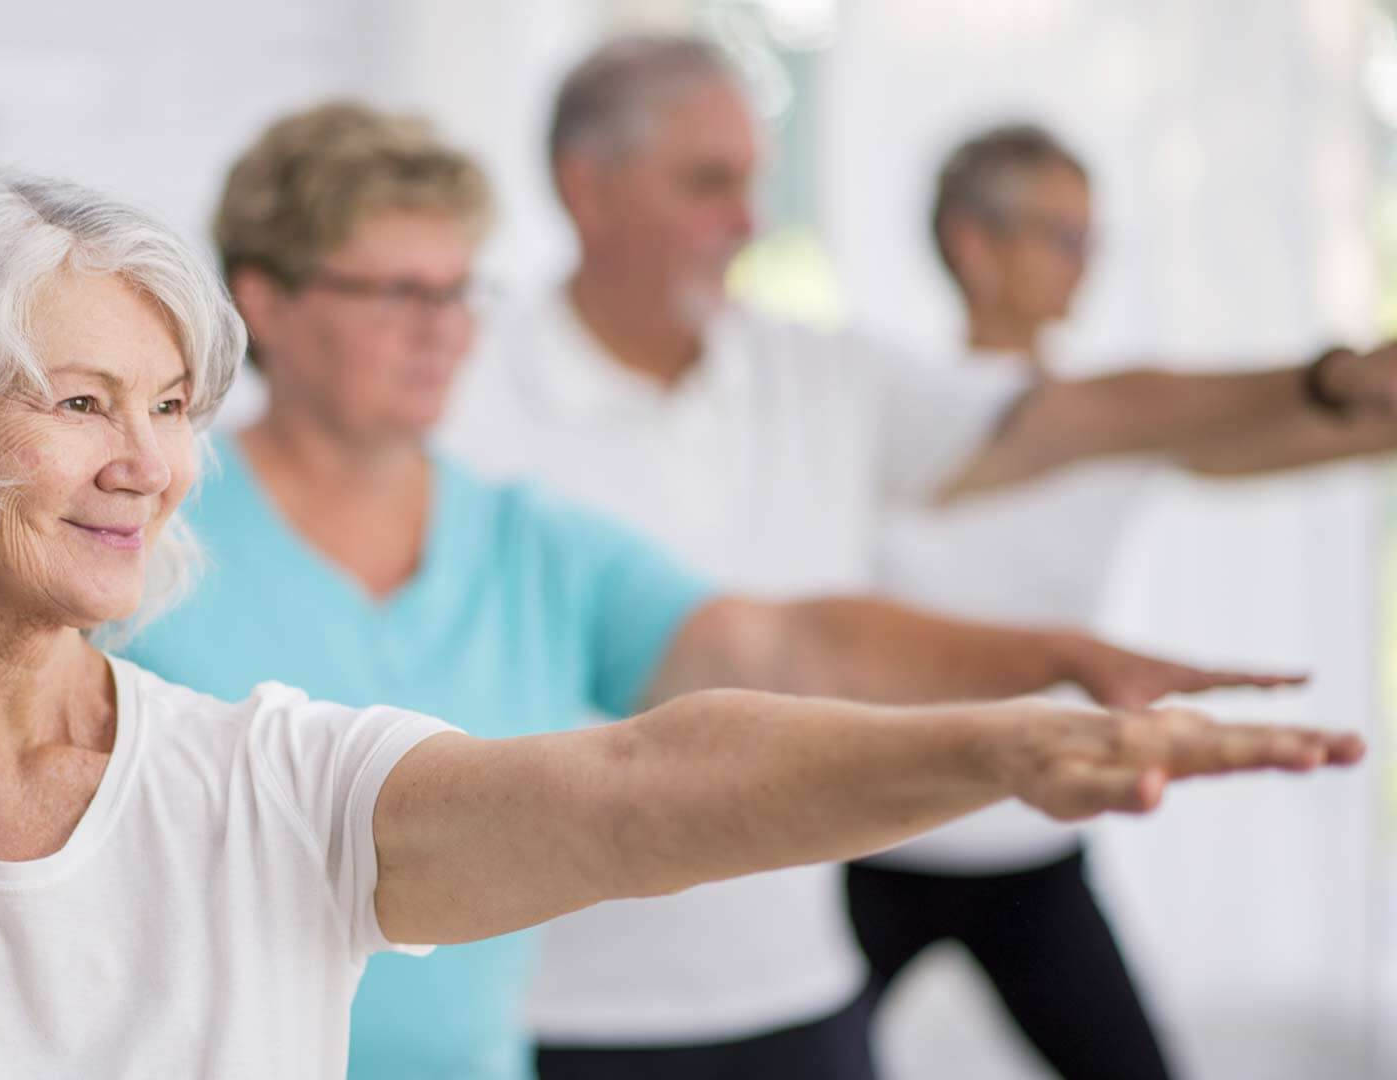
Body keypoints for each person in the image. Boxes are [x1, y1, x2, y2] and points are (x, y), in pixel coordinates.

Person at [0, 157, 1356, 1080]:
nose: (149, 465)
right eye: (78, 402)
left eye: (169, 408)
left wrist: (1009, 742)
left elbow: (643, 779)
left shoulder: (266, 789)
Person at [111, 102, 1321, 1080]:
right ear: (264, 301)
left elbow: (781, 643)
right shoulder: (142, 537)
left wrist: (1051, 661)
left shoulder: (528, 541)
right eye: (396, 293)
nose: (442, 331)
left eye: (459, 291)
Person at [440, 35, 1397, 1080]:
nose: (749, 222)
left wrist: (1332, 384)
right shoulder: (461, 387)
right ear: (588, 188)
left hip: (789, 985)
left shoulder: (818, 374)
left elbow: (1089, 415)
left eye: (754, 182)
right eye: (709, 184)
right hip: (555, 1002)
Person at [844, 122, 1397, 1080]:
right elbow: (1106, 413)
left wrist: (1361, 393)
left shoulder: (1122, 422)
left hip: (1031, 839)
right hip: (875, 838)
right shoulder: (891, 403)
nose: (1083, 265)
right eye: (1062, 237)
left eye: (1091, 239)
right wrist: (1334, 373)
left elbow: (1320, 434)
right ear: (974, 245)